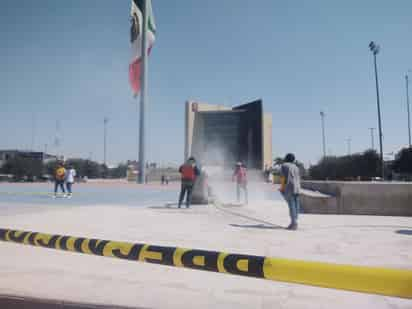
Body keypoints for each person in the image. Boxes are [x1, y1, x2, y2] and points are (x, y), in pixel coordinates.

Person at [280, 153, 301, 230]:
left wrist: (282, 188)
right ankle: (295, 221)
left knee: (291, 205)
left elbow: (282, 177)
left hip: (289, 187)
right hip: (297, 187)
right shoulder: (296, 167)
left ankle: (293, 223)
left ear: (286, 158)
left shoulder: (284, 165)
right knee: (296, 205)